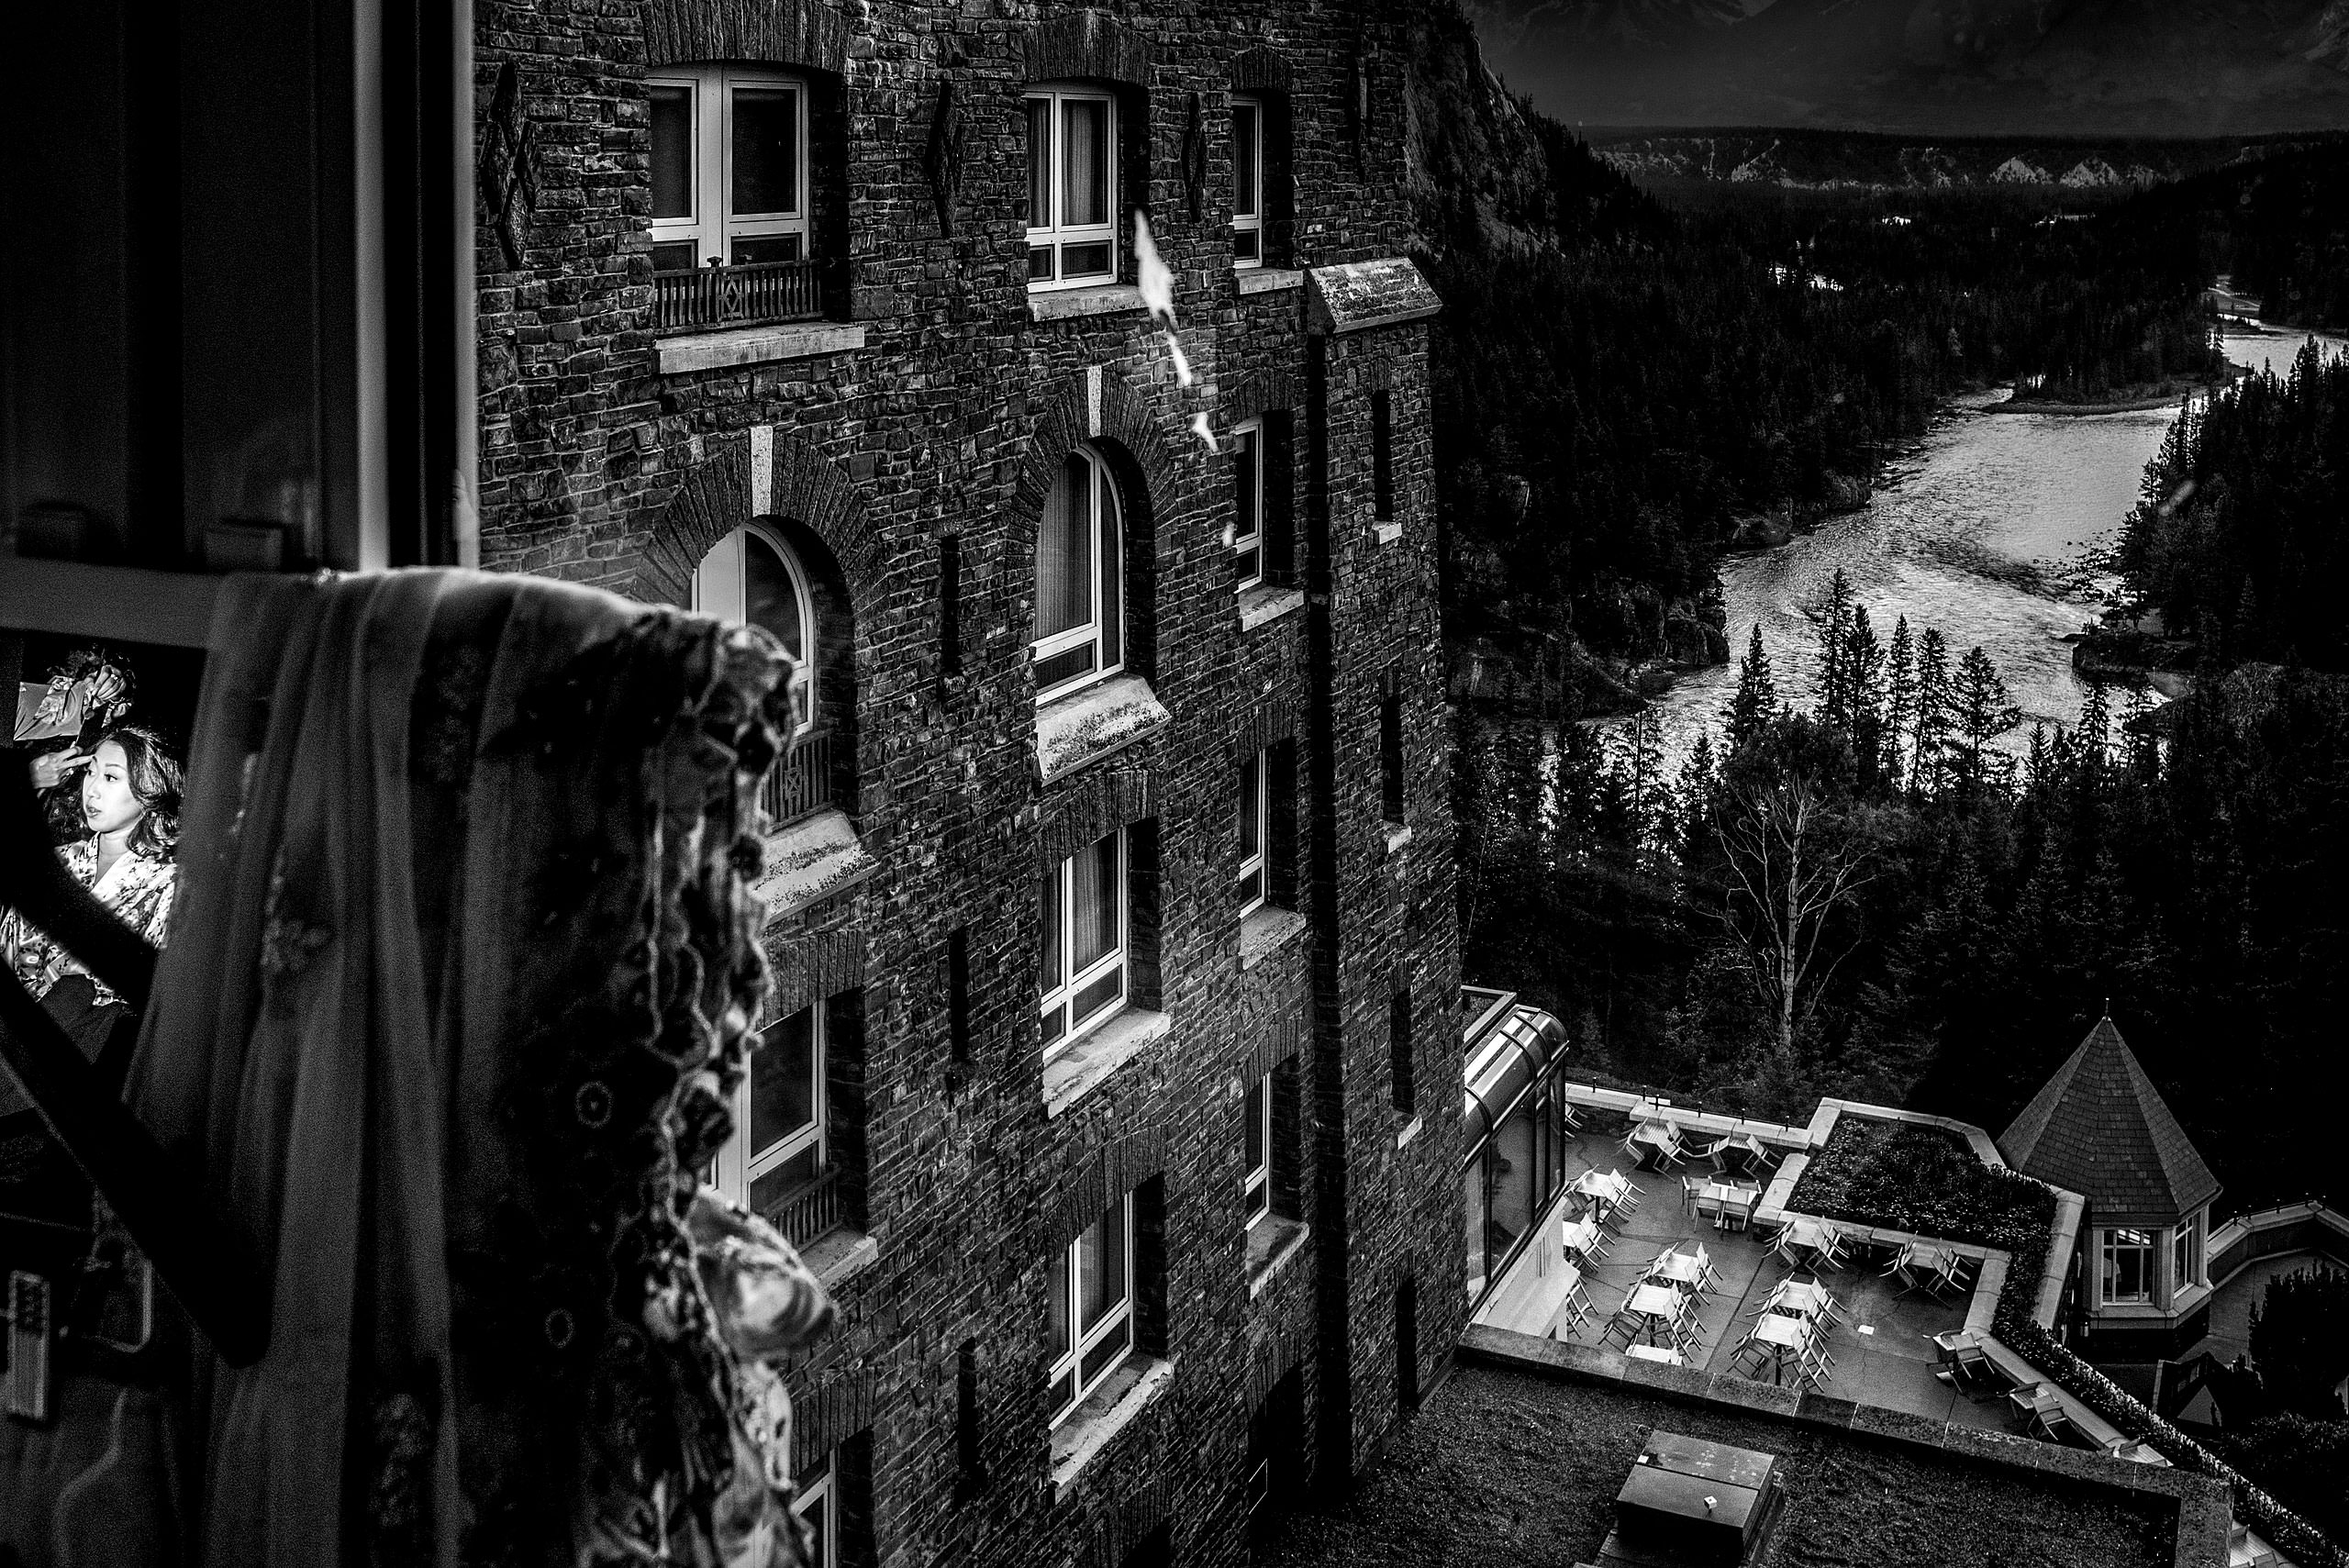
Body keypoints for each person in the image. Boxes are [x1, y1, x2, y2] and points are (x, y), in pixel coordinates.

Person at [1, 723, 182, 1014]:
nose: (93, 789)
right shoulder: (60, 857)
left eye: (110, 777)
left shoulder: (169, 887)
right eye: (90, 772)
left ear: (151, 789)